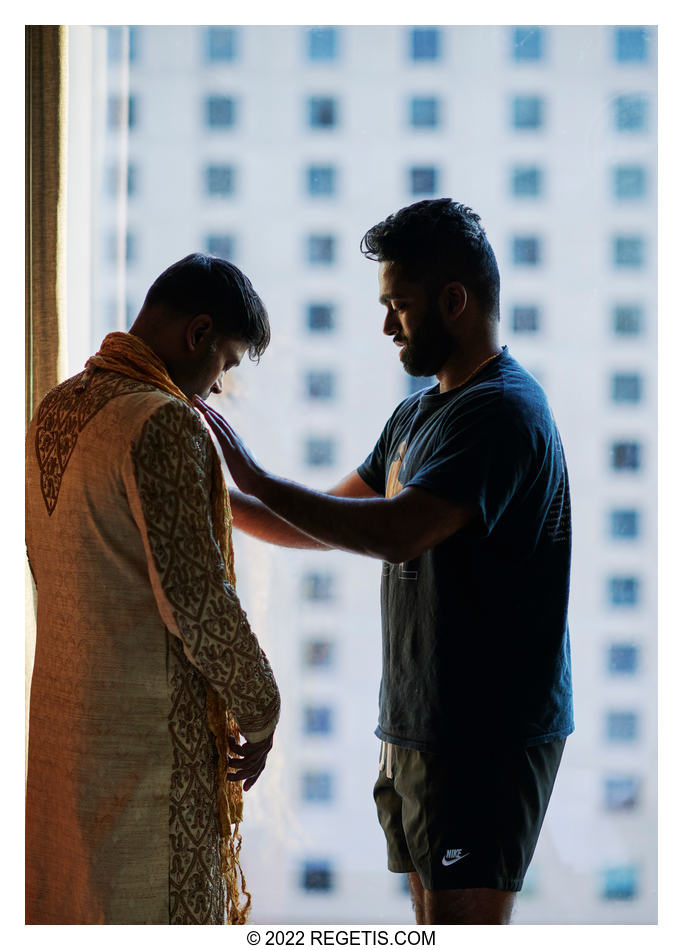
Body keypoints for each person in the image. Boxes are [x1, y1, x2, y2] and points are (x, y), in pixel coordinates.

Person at [194, 199, 574, 925]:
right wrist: (206, 498)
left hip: (485, 740)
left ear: (453, 302)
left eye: (398, 304)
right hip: (414, 726)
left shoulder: (502, 413)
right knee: (428, 921)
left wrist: (253, 475)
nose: (385, 325)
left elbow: (398, 532)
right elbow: (325, 522)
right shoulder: (417, 414)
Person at [25, 253, 281, 925]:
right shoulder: (160, 421)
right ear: (197, 333)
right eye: (225, 362)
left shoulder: (57, 406)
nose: (218, 388)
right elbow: (197, 604)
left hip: (65, 737)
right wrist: (260, 710)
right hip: (146, 763)